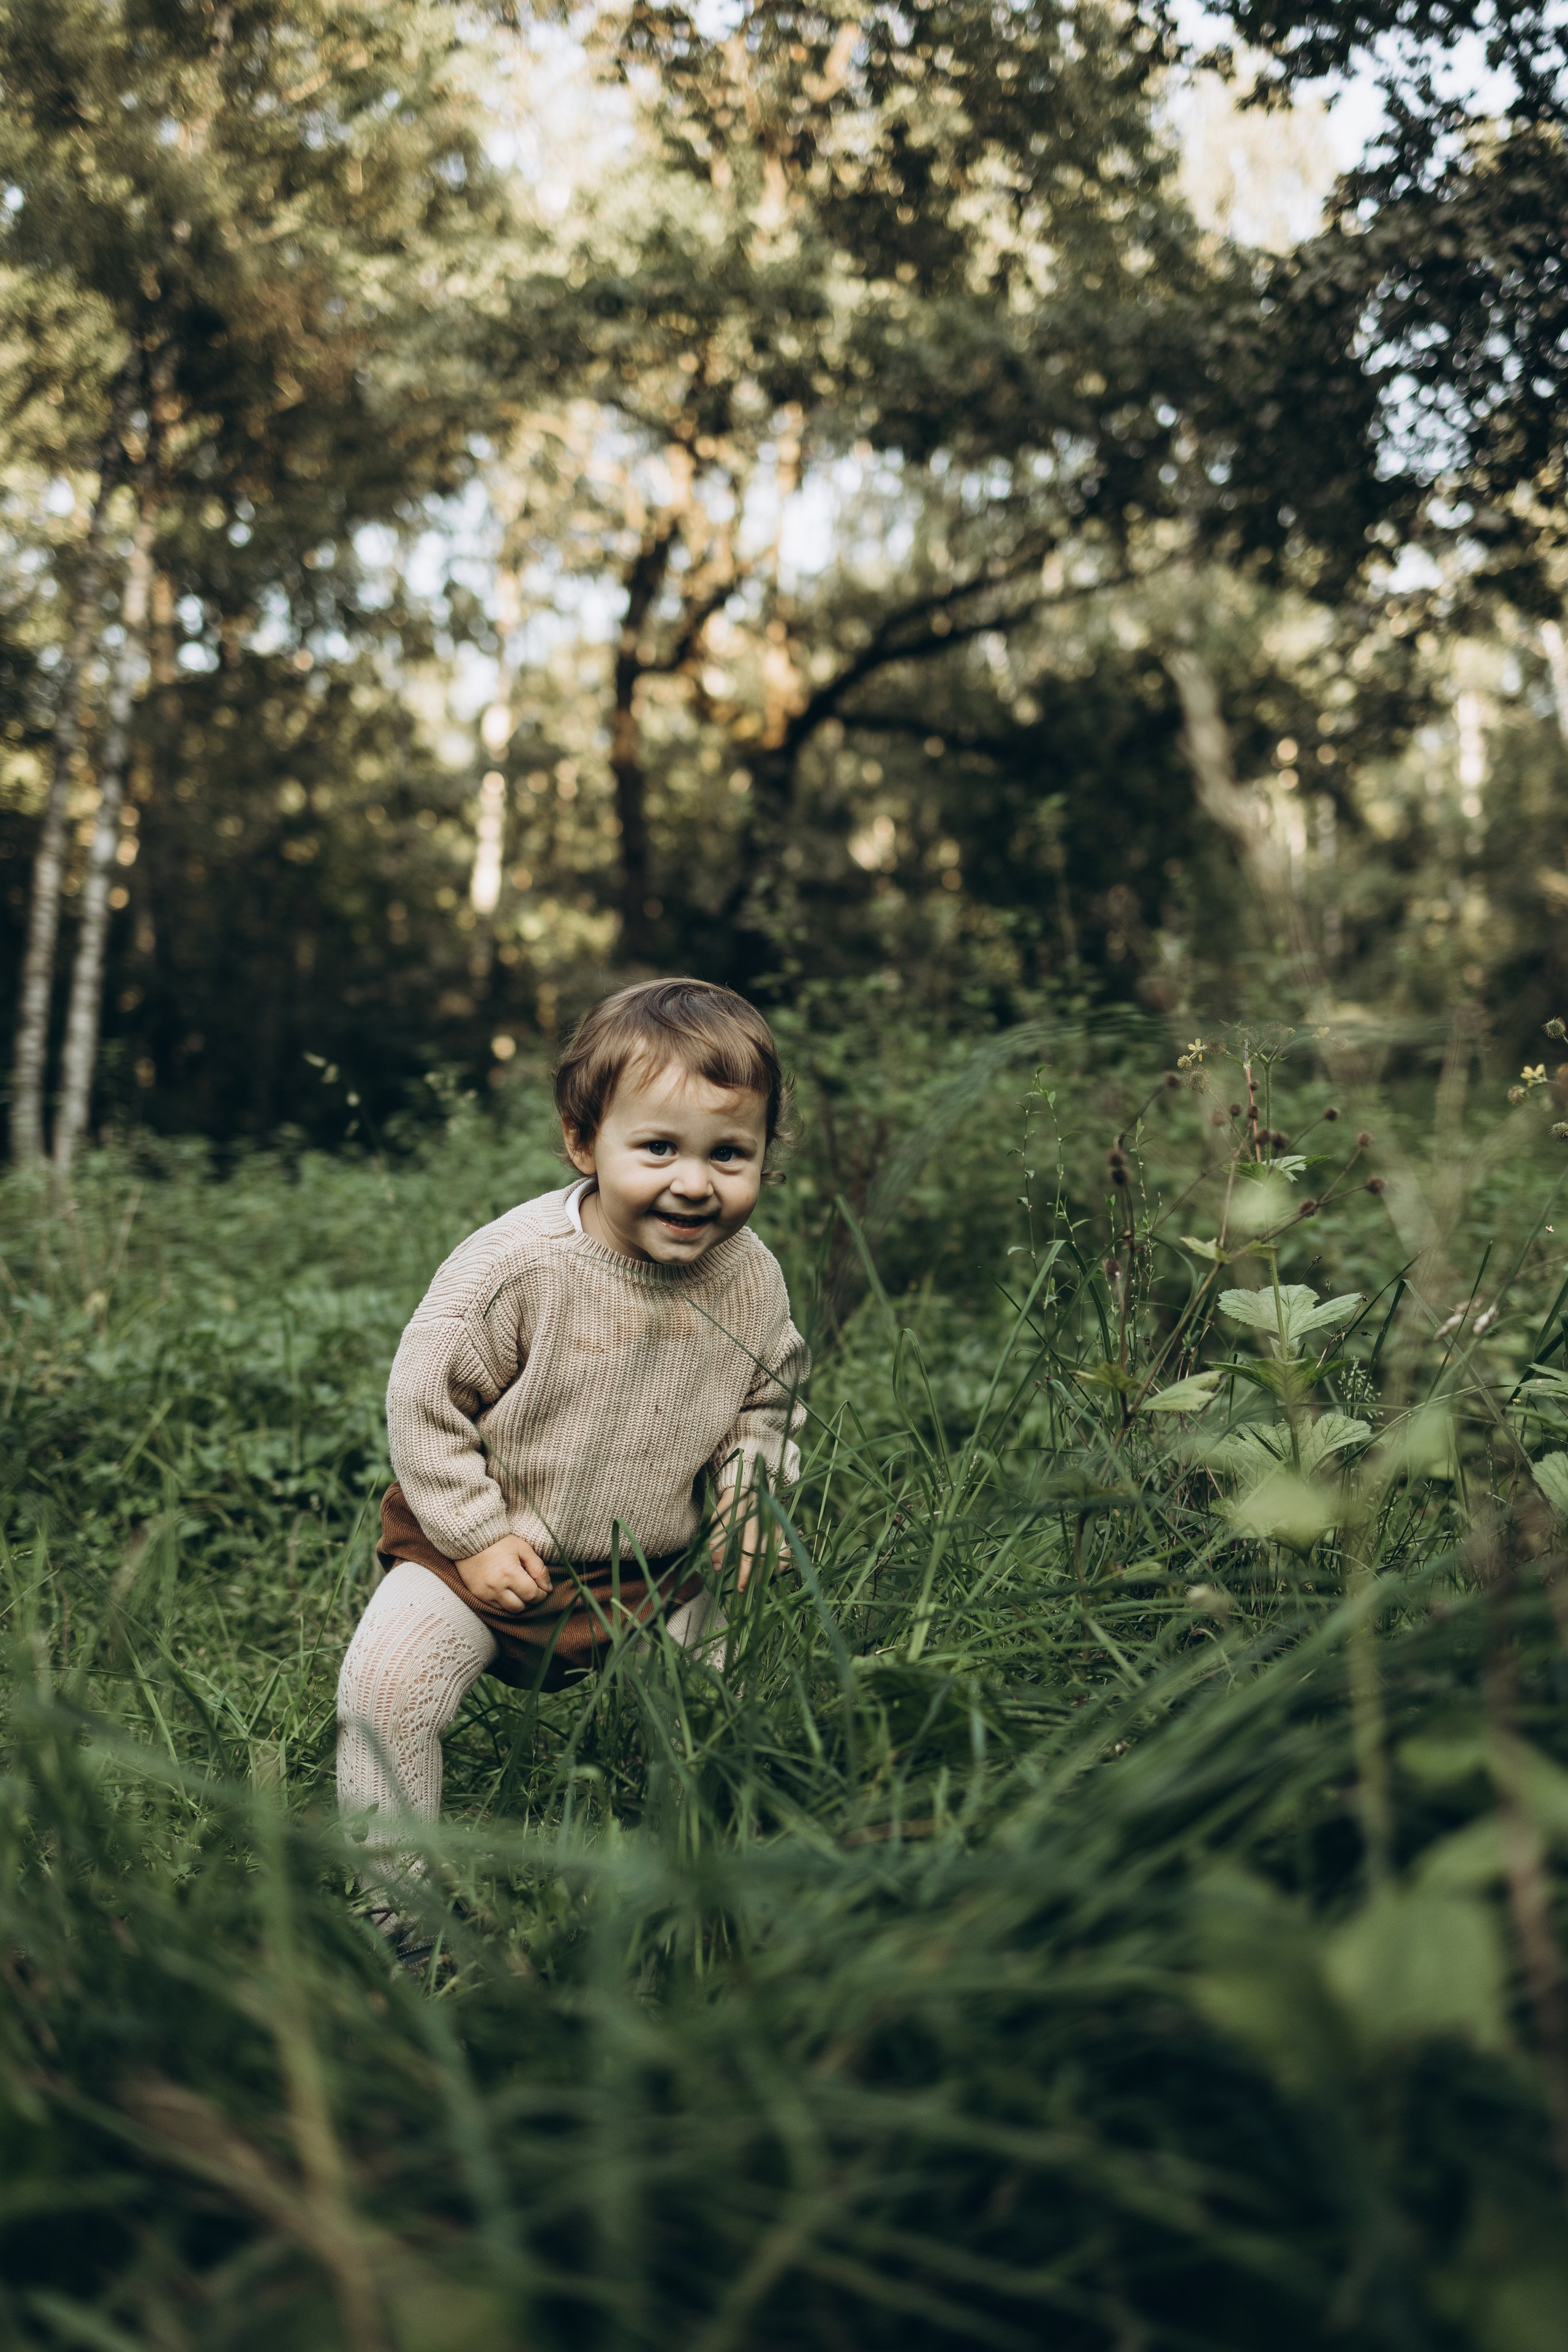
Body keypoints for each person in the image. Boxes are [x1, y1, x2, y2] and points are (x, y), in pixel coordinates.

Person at [336, 977, 809, 1940]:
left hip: (660, 1568)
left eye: (731, 1153)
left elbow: (768, 1400)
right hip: (484, 1555)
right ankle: (400, 1910)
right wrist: (471, 1532)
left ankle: (695, 1896)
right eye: (659, 1148)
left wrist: (753, 1492)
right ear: (583, 1142)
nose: (695, 1182)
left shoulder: (751, 1276)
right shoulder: (518, 1268)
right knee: (384, 1694)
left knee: (719, 1708)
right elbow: (424, 1401)